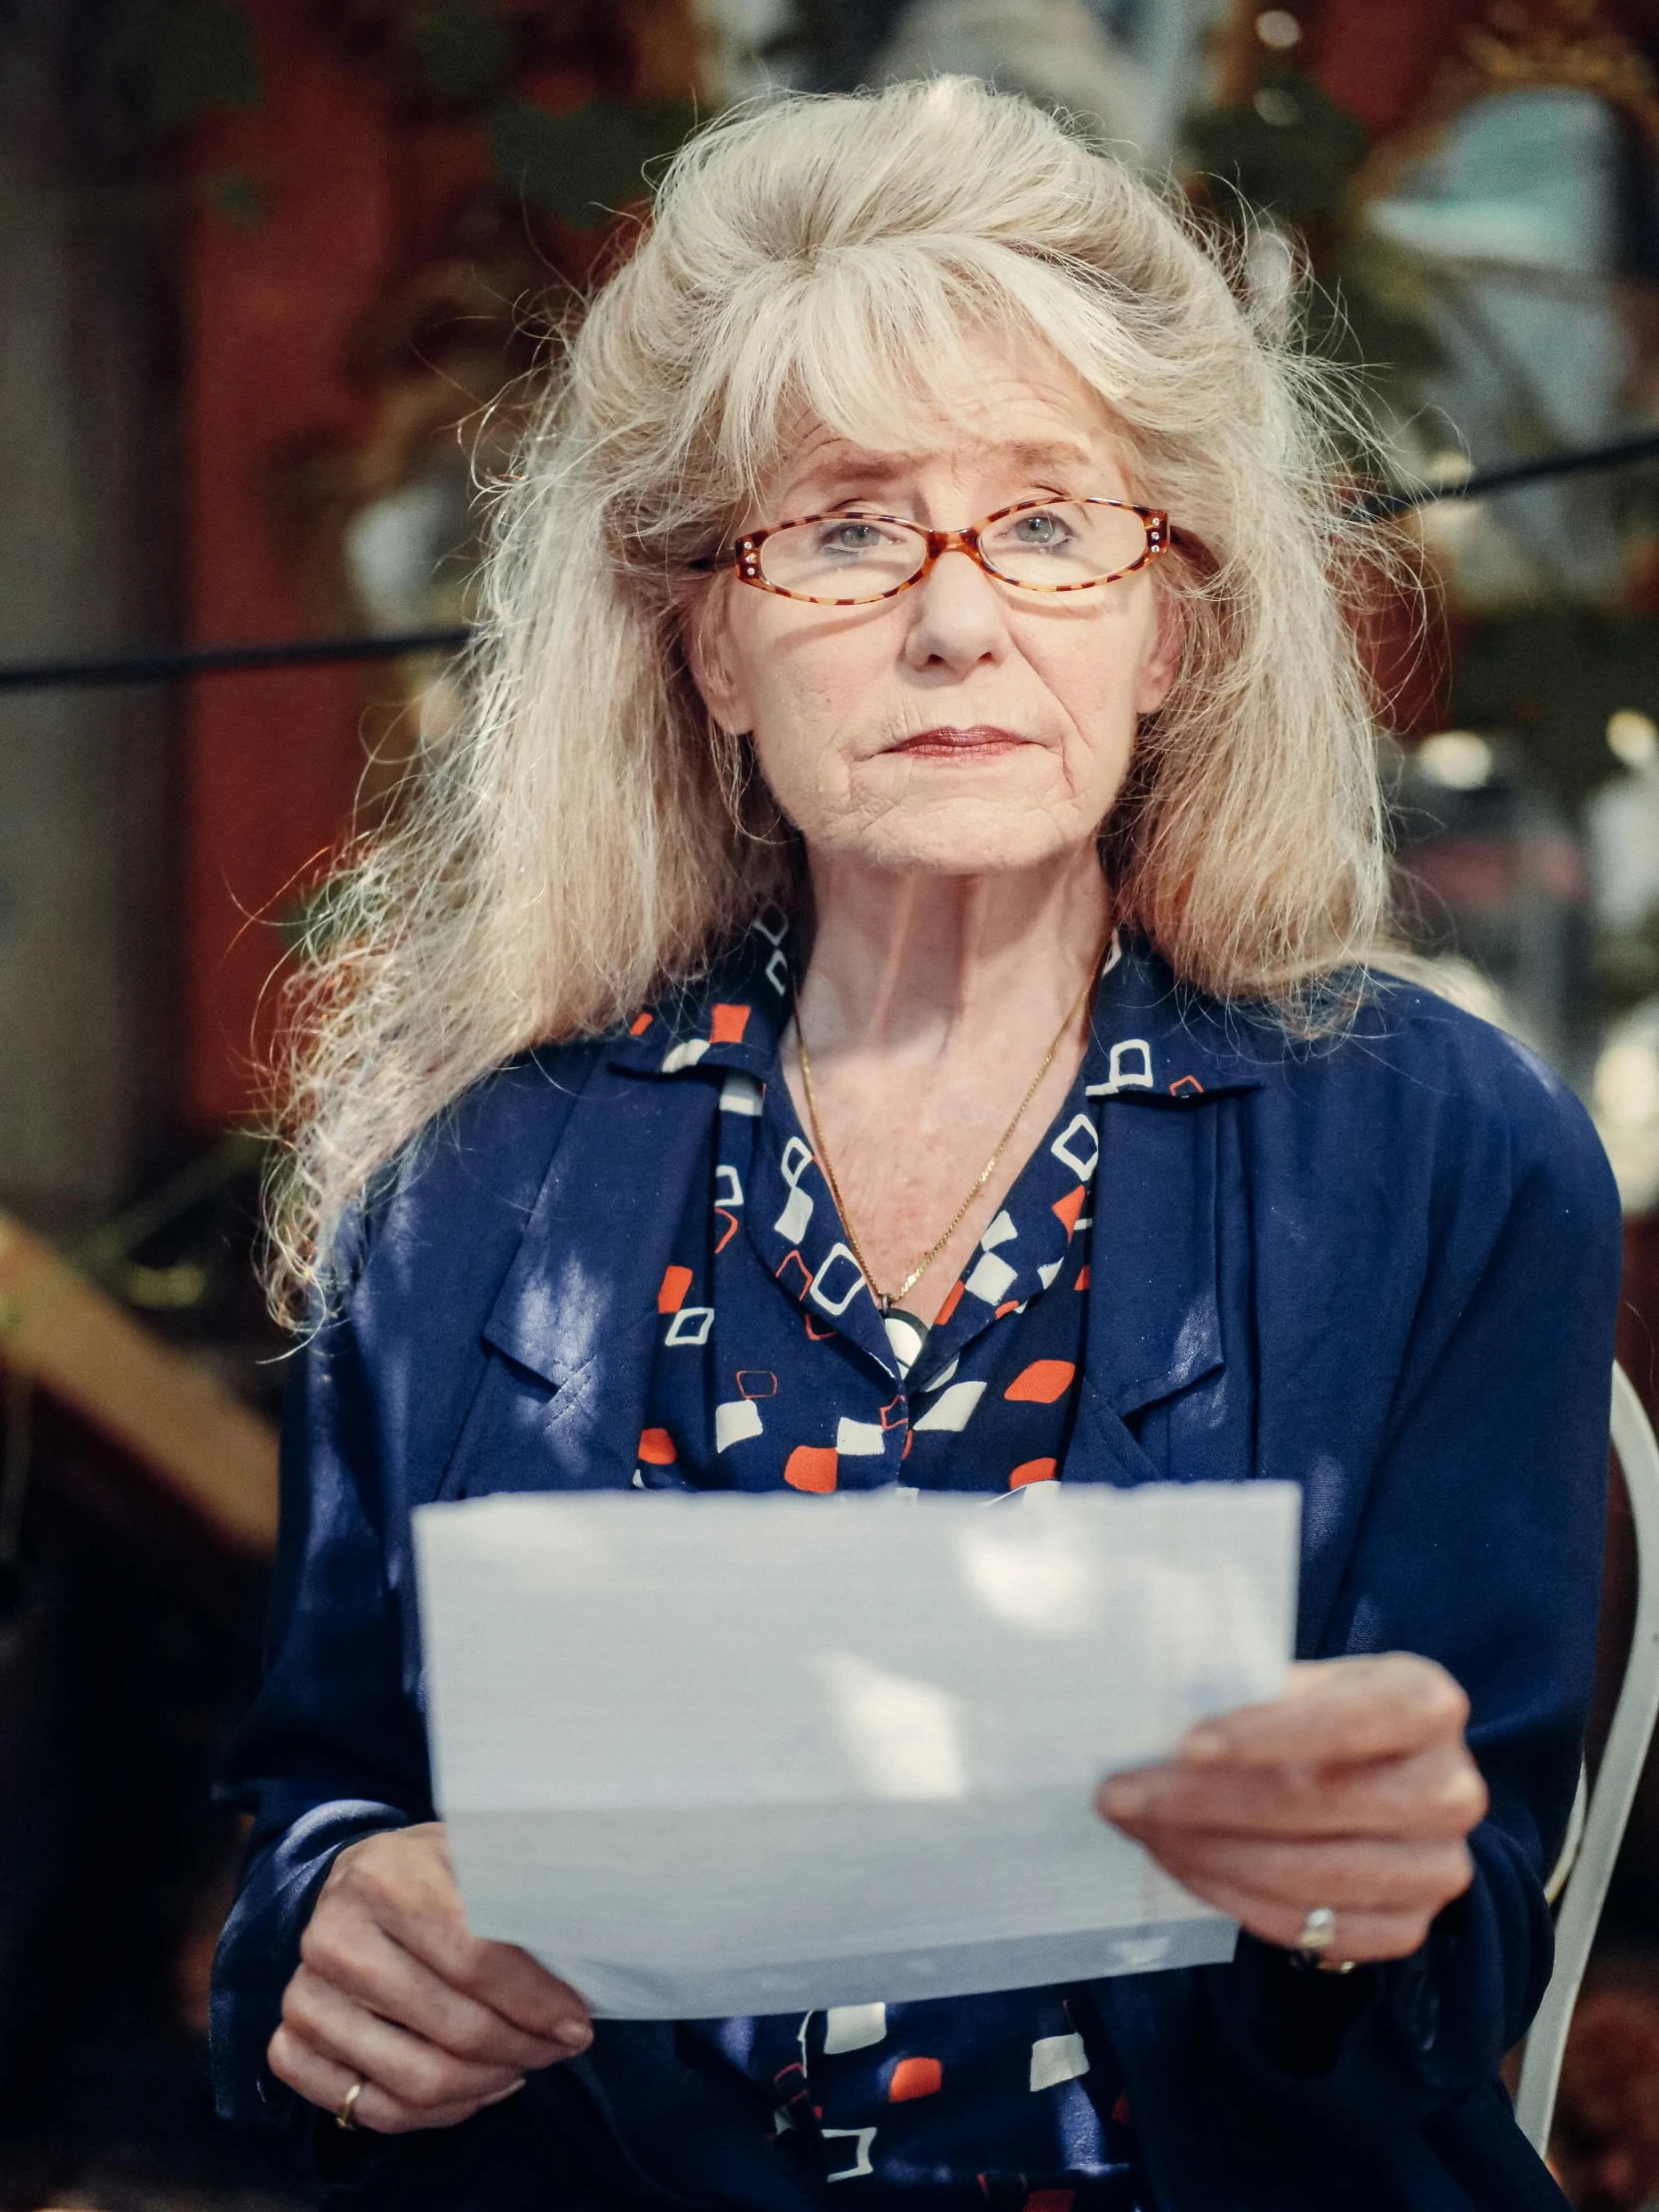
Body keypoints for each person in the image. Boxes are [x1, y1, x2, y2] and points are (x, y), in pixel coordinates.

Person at [210, 78, 1622, 2212]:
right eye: (849, 527)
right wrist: (323, 1932)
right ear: (708, 644)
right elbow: (321, 1812)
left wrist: (1381, 1882)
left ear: (1172, 626)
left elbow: (1472, 1938)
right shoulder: (465, 1186)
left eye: (1050, 522)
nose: (956, 619)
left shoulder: (1449, 1155)